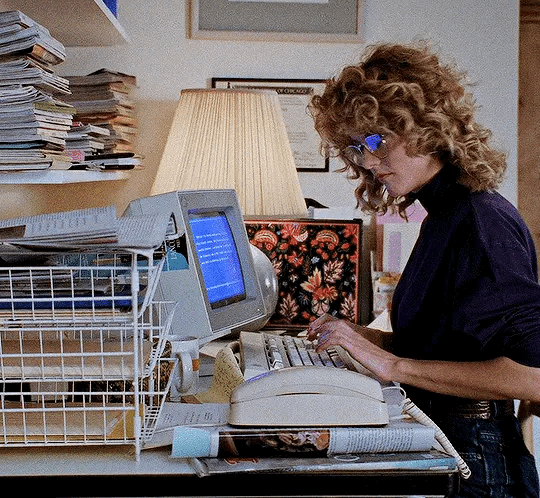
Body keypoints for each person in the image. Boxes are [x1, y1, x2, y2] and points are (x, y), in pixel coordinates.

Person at [307, 42, 540, 498]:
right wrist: (364, 340)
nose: (368, 161)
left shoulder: (481, 221)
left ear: (427, 129)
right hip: (452, 441)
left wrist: (392, 364)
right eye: (357, 147)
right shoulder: (445, 214)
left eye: (377, 141)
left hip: (477, 461)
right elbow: (455, 346)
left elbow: (533, 376)